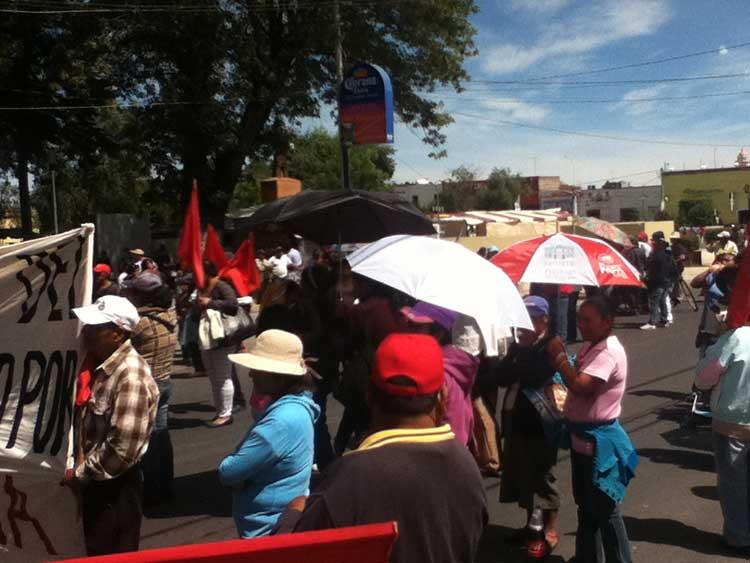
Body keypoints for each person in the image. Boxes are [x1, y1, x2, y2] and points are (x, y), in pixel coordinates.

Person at [279, 333, 488, 563]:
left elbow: (293, 553)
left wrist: (293, 513)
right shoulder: (467, 468)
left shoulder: (349, 477)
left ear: (369, 395)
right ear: (443, 397)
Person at [67, 296, 159, 556]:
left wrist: (80, 474)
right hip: (98, 484)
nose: (86, 333)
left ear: (117, 334)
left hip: (112, 490)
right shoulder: (99, 366)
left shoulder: (130, 375)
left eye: (96, 328)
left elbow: (122, 450)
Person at [551, 297, 638, 563]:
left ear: (607, 321)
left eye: (587, 320)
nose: (581, 325)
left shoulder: (609, 352)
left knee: (605, 511)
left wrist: (559, 357)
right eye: (579, 319)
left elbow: (581, 385)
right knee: (586, 510)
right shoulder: (593, 346)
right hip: (582, 442)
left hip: (600, 447)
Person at [219, 330, 319, 538]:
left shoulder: (279, 423)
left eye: (258, 370)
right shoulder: (299, 407)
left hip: (266, 529)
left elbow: (229, 471)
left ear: (277, 377)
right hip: (281, 518)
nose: (250, 374)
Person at [495, 296, 563, 556]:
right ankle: (530, 526)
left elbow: (536, 376)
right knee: (522, 472)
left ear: (544, 319)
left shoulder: (551, 344)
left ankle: (550, 529)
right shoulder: (520, 345)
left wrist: (518, 363)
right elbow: (501, 376)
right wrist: (518, 358)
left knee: (543, 475)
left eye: (531, 318)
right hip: (516, 417)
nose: (525, 325)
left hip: (542, 421)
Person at [695, 323, 750, 554]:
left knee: (733, 484)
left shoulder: (736, 338)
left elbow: (703, 378)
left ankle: (739, 538)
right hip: (734, 422)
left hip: (732, 422)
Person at [127, 272, 178, 505]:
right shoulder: (170, 315)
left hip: (147, 385)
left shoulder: (139, 322)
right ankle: (165, 485)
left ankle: (150, 489)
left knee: (146, 439)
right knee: (161, 434)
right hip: (165, 380)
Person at [400, 302, 479, 446]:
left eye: (416, 327)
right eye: (408, 324)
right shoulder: (452, 363)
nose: (408, 331)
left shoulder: (438, 373)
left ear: (438, 334)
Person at [198, 259, 240, 427]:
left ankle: (226, 413)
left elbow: (233, 304)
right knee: (214, 376)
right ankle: (220, 411)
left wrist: (211, 303)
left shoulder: (221, 285)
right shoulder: (202, 288)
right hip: (208, 337)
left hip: (222, 337)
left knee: (223, 376)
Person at [641, 232, 677, 330]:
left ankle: (652, 322)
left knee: (654, 302)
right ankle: (664, 320)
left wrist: (649, 278)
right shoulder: (667, 253)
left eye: (653, 240)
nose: (652, 243)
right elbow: (672, 268)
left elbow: (654, 268)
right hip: (666, 281)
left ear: (657, 242)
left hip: (658, 282)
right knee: (662, 301)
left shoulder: (658, 254)